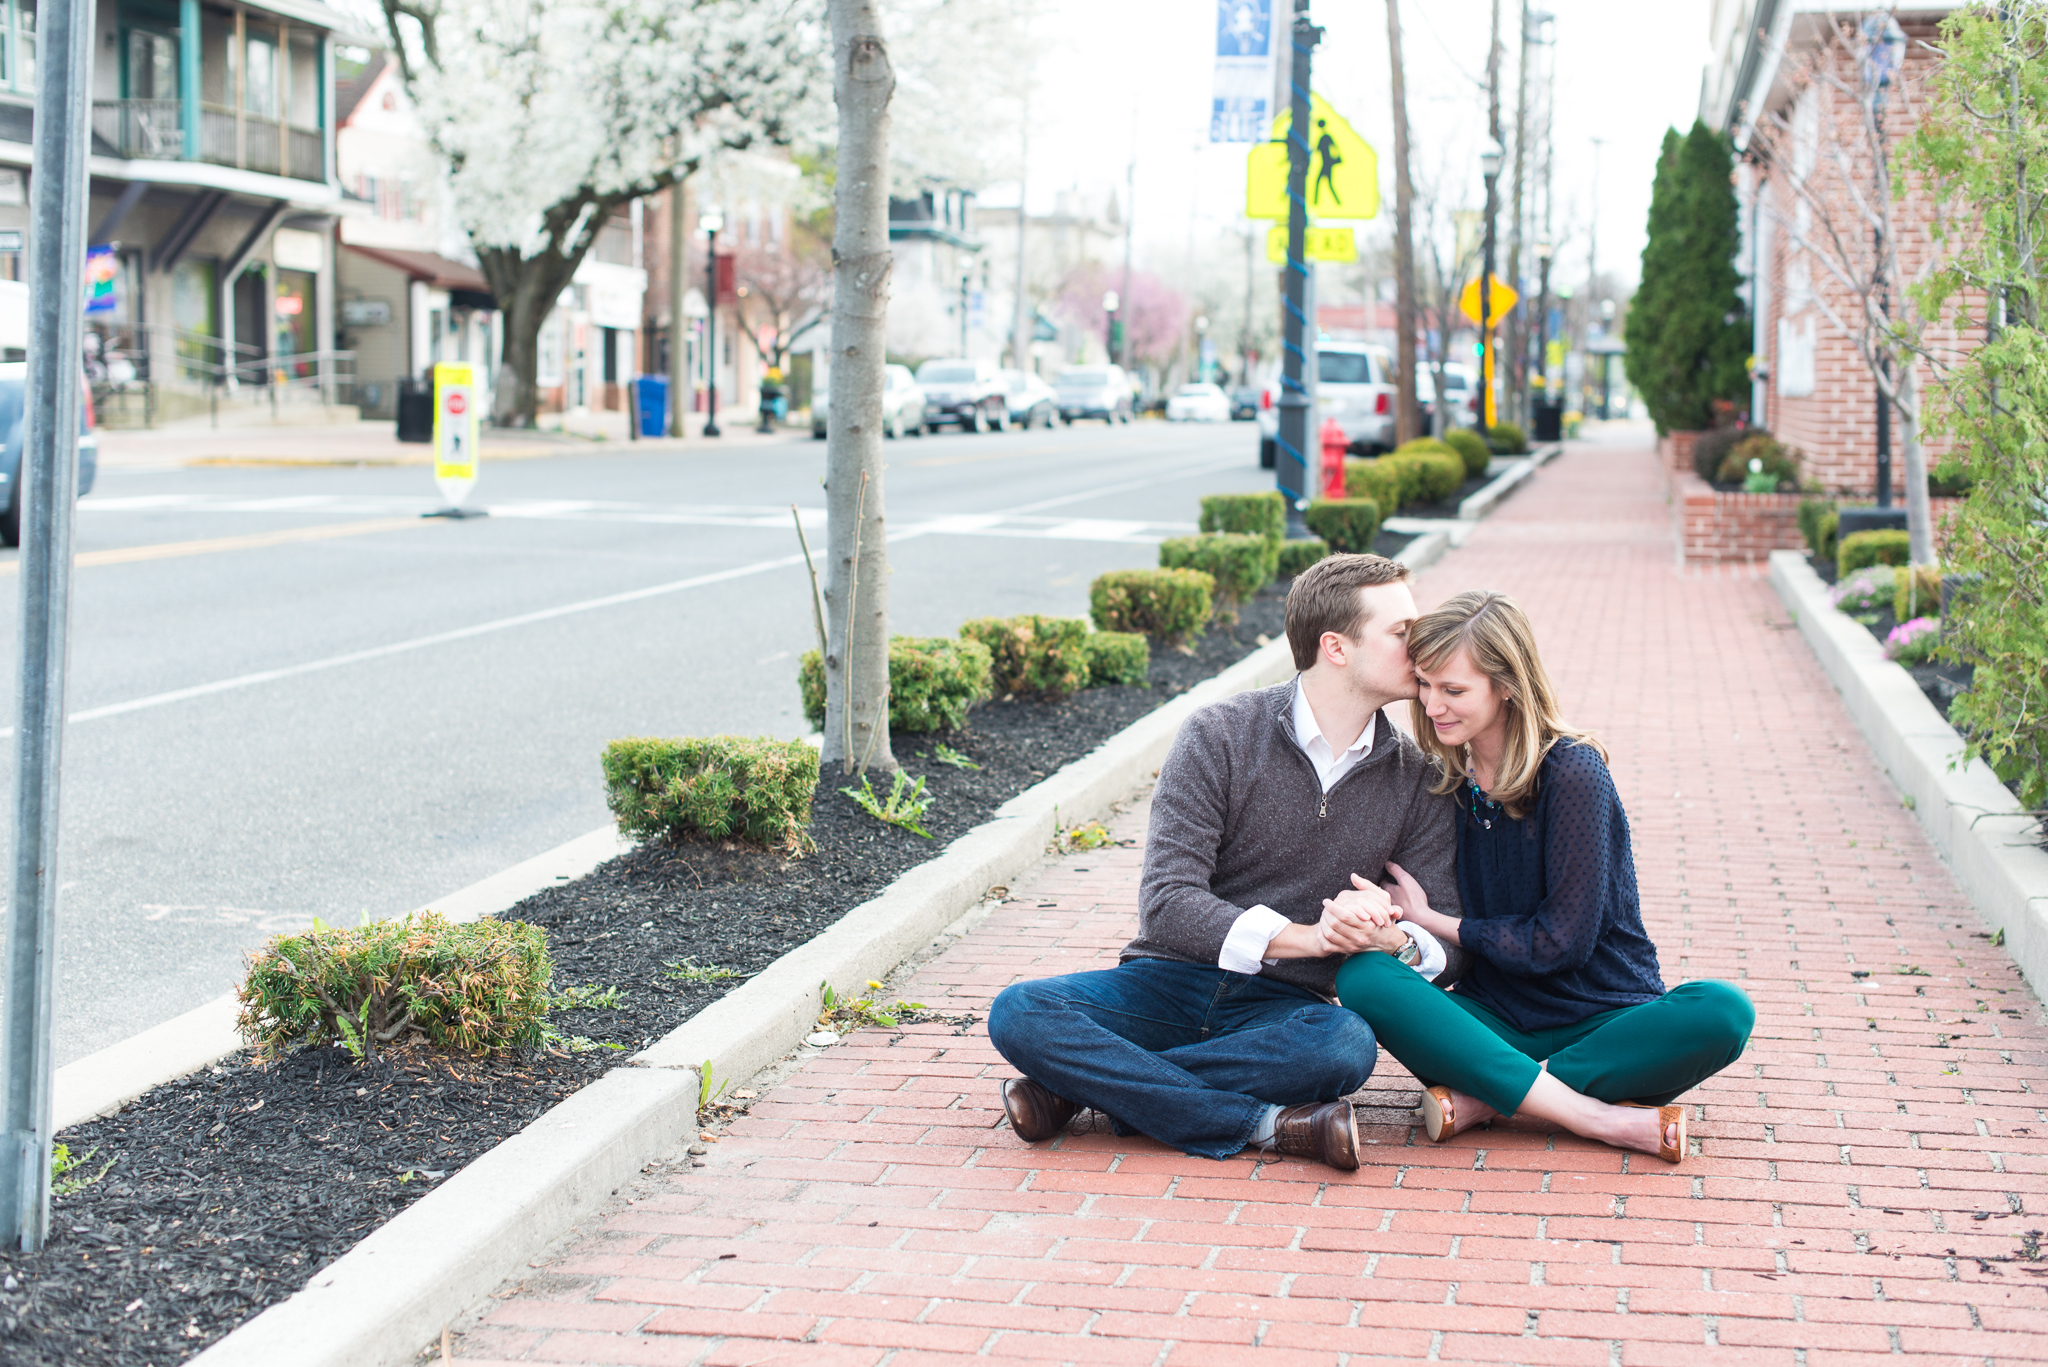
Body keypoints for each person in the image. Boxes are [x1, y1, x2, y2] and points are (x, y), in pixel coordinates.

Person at [987, 554, 1466, 1171]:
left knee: (1346, 1047)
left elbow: (1449, 945)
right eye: (1402, 631)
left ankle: (1076, 1090)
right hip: (1163, 983)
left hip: (1283, 1012)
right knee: (1021, 1012)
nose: (1422, 644)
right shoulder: (1219, 734)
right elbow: (1167, 902)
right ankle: (1268, 1125)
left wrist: (1390, 940)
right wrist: (1308, 939)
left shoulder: (1417, 779)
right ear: (1336, 647)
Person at [1332, 590, 1755, 1166]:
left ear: (1507, 684)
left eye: (1454, 690)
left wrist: (1438, 921)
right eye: (1425, 686)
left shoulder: (1573, 771)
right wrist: (1394, 927)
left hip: (1607, 1026)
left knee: (1724, 1011)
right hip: (1494, 1026)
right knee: (1363, 977)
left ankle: (1489, 1101)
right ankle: (1591, 1113)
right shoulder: (1445, 780)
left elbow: (1562, 941)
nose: (1433, 705)